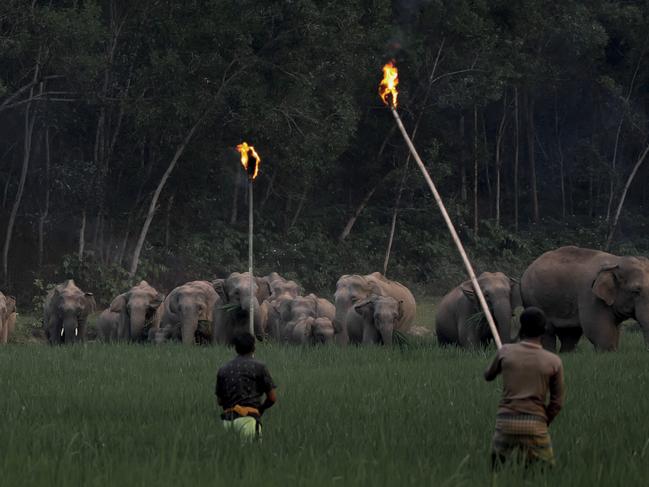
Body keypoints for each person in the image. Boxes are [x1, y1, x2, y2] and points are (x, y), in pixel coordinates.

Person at [484, 307, 565, 468]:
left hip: (506, 423)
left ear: (521, 328)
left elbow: (488, 375)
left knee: (496, 468)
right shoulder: (553, 361)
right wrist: (543, 420)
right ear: (543, 330)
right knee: (546, 469)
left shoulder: (505, 352)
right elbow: (557, 402)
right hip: (535, 424)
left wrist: (503, 361)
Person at [215, 332, 277, 441]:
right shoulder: (259, 367)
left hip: (227, 422)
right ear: (254, 347)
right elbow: (272, 398)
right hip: (249, 421)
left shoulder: (223, 369)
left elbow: (220, 401)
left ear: (235, 348)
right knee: (251, 456)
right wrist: (260, 409)